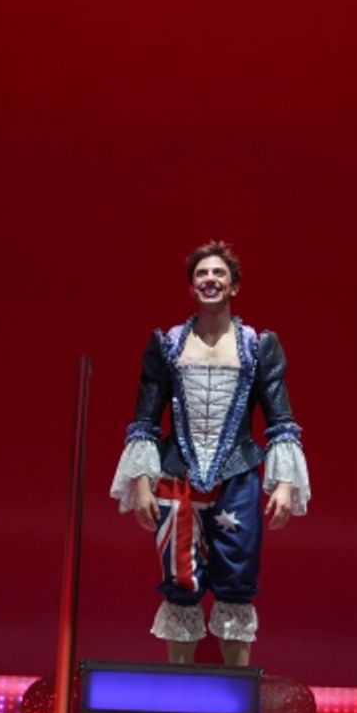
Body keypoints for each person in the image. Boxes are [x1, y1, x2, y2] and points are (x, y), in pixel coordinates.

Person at [110, 241, 311, 667]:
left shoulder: (258, 346)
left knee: (237, 581)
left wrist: (285, 483)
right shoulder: (167, 345)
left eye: (219, 273)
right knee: (180, 581)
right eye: (202, 274)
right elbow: (145, 418)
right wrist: (142, 484)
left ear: (234, 285)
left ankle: (236, 699)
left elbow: (280, 417)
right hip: (176, 477)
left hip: (237, 476)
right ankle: (179, 695)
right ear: (192, 287)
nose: (210, 280)